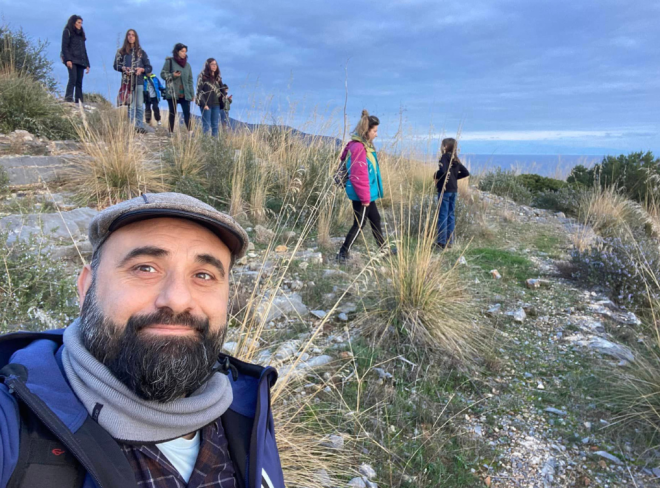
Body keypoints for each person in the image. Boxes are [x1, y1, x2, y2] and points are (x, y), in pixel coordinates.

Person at [0, 192, 286, 488]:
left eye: (203, 275)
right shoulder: (12, 421)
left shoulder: (248, 409)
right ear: (86, 288)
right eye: (145, 268)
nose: (177, 300)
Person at [337, 110, 387, 261]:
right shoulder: (359, 148)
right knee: (359, 224)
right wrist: (365, 198)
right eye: (374, 131)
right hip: (362, 193)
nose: (376, 134)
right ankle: (343, 253)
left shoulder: (358, 145)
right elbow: (359, 176)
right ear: (366, 131)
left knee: (375, 219)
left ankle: (383, 249)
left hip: (366, 192)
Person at [113, 29, 154, 133]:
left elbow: (149, 67)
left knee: (139, 105)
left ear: (136, 38)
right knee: (130, 106)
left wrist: (142, 69)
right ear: (127, 37)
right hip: (127, 82)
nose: (131, 37)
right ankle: (131, 127)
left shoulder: (141, 53)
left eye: (133, 35)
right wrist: (123, 68)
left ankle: (139, 126)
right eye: (129, 35)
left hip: (139, 81)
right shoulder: (121, 52)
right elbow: (115, 65)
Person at [434, 137, 470, 249]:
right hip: (454, 190)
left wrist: (436, 175)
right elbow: (466, 172)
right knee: (451, 215)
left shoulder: (445, 157)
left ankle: (441, 242)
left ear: (445, 147)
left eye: (442, 145)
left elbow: (443, 171)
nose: (440, 147)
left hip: (444, 190)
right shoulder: (455, 159)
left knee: (443, 215)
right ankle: (450, 241)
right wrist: (454, 178)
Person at [161, 43, 194, 133]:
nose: (184, 53)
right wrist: (173, 75)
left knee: (187, 113)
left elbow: (190, 80)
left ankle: (190, 133)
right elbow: (162, 74)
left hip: (185, 93)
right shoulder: (169, 62)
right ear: (177, 51)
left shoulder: (187, 65)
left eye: (185, 52)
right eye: (182, 51)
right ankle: (170, 132)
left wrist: (192, 94)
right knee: (172, 113)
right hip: (173, 92)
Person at [61, 15, 90, 104]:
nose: (80, 25)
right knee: (73, 78)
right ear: (73, 23)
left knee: (79, 81)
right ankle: (68, 98)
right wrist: (68, 60)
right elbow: (64, 47)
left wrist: (87, 64)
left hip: (81, 61)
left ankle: (79, 100)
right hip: (72, 59)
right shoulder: (67, 31)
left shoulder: (81, 35)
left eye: (81, 23)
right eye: (78, 22)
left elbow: (84, 50)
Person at [196, 58, 223, 137]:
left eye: (215, 64)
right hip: (206, 104)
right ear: (208, 65)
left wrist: (225, 99)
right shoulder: (202, 77)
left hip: (216, 104)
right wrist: (204, 104)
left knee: (215, 125)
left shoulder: (218, 78)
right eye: (212, 64)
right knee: (206, 125)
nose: (214, 66)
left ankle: (214, 143)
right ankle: (205, 142)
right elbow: (199, 91)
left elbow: (222, 90)